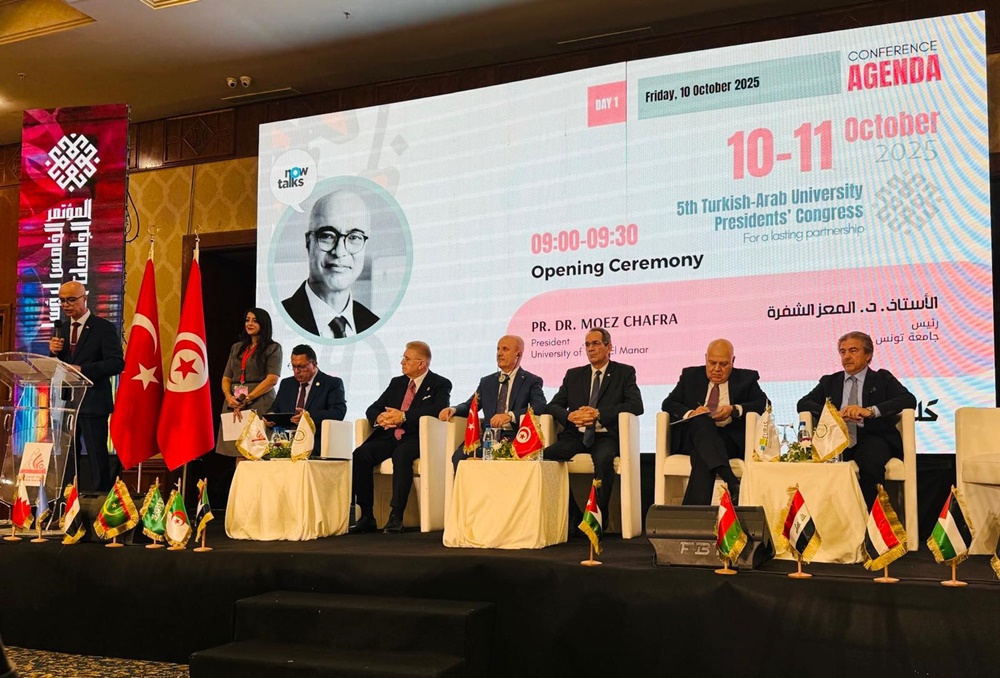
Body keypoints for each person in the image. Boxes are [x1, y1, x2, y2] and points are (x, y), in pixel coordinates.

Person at [797, 330, 916, 509]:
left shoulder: (882, 378)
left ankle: (870, 520)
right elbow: (803, 403)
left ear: (868, 355)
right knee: (816, 464)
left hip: (872, 436)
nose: (846, 356)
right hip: (837, 439)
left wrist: (869, 411)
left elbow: (908, 399)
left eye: (853, 351)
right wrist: (834, 414)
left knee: (871, 462)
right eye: (842, 352)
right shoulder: (830, 381)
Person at [543, 327, 643, 527]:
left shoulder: (624, 373)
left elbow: (636, 406)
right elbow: (552, 406)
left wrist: (599, 413)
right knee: (545, 457)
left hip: (605, 435)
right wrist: (570, 415)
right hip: (577, 435)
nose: (590, 349)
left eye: (596, 344)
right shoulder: (574, 375)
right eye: (587, 345)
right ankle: (574, 515)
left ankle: (597, 519)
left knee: (604, 460)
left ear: (609, 347)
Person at [350, 341, 451, 534]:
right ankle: (367, 516)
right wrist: (379, 418)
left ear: (421, 364)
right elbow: (373, 407)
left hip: (416, 437)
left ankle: (396, 515)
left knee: (401, 455)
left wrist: (403, 417)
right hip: (390, 435)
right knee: (361, 454)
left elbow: (438, 409)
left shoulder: (440, 383)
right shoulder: (397, 383)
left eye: (406, 359)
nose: (402, 362)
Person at [661, 339, 767, 505]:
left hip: (727, 440)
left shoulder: (746, 379)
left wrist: (734, 409)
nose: (717, 369)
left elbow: (763, 404)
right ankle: (731, 481)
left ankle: (693, 515)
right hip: (692, 437)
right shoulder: (690, 376)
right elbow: (668, 403)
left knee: (703, 454)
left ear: (733, 361)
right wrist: (691, 413)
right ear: (705, 359)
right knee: (701, 420)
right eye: (712, 363)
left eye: (723, 364)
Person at [48, 281, 124, 492]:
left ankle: (101, 499)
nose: (65, 305)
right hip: (67, 403)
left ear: (85, 298)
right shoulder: (62, 329)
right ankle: (68, 498)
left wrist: (83, 369)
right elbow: (58, 366)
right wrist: (53, 352)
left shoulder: (103, 328)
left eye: (71, 300)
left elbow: (116, 363)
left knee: (96, 455)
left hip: (93, 402)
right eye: (62, 300)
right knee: (68, 455)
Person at [439, 335, 546, 469]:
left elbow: (540, 406)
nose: (499, 353)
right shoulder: (487, 382)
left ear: (518, 354)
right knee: (459, 457)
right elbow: (471, 405)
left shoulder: (531, 381)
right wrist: (453, 409)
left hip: (515, 439)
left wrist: (510, 415)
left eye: (505, 349)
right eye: (498, 349)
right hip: (488, 439)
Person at [282, 190, 379, 338]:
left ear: (365, 245)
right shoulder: (281, 317)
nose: (339, 251)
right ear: (308, 242)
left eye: (354, 237)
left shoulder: (372, 323)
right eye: (327, 236)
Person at [216, 308, 282, 457]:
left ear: (263, 324)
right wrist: (228, 396)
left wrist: (248, 398)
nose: (249, 324)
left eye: (255, 321)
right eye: (247, 320)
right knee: (237, 451)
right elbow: (226, 378)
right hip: (234, 403)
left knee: (257, 451)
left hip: (259, 401)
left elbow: (272, 379)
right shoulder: (237, 347)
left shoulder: (273, 348)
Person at [267, 344, 347, 456]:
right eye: (293, 366)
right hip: (287, 442)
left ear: (314, 364)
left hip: (315, 440)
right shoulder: (287, 384)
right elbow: (276, 408)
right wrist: (270, 416)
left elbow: (338, 412)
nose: (296, 371)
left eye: (301, 367)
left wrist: (308, 417)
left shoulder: (331, 383)